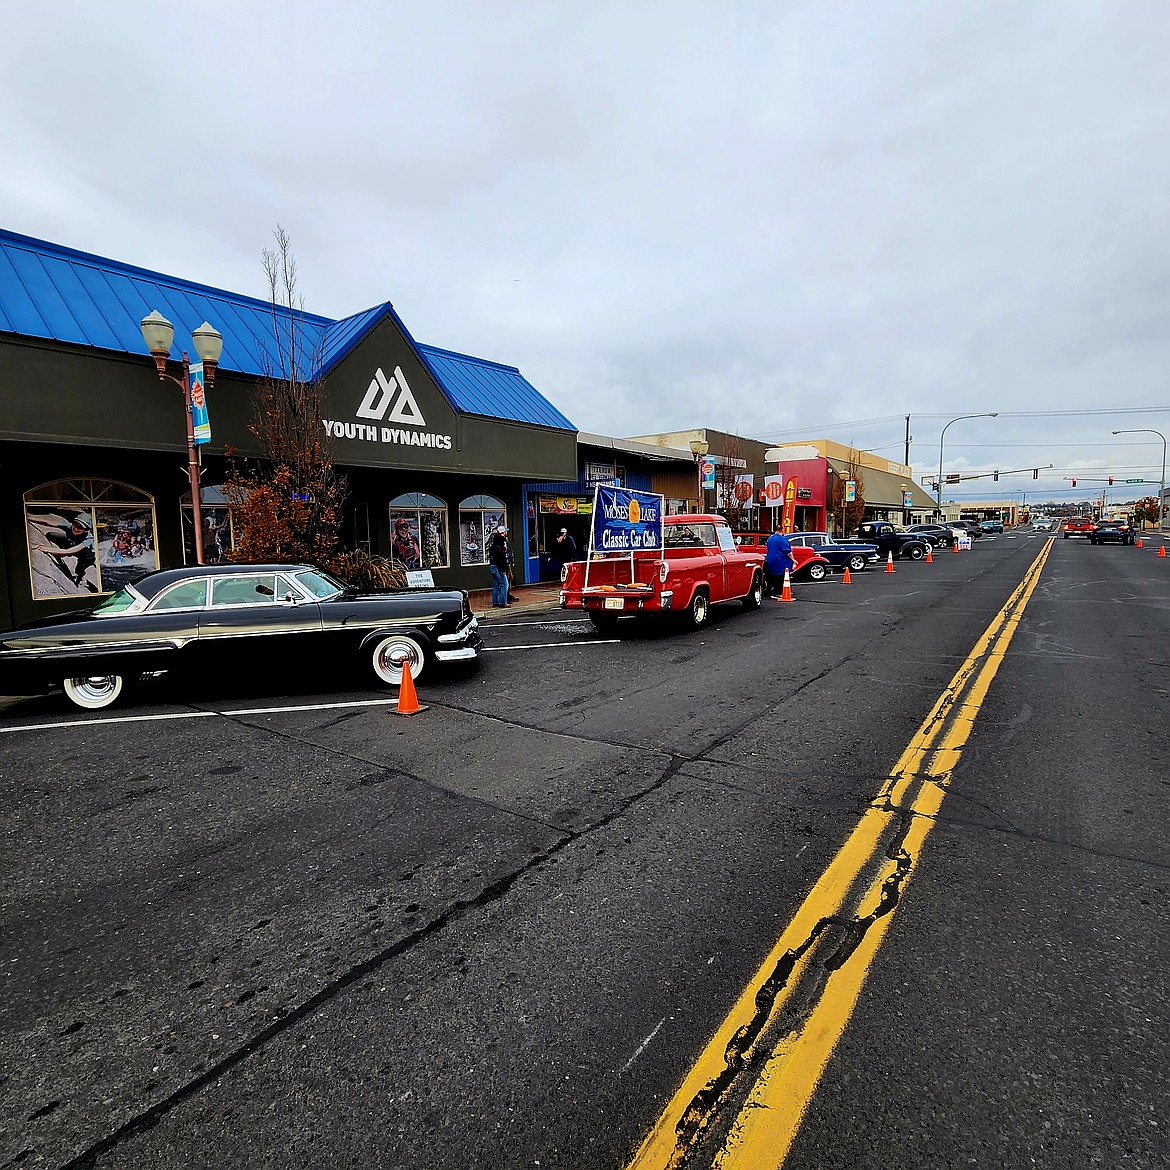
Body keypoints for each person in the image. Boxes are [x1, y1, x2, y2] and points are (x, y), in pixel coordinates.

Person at [31, 513, 97, 591]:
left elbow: (69, 552)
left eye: (80, 527)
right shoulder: (70, 526)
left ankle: (80, 577)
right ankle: (60, 551)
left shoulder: (88, 539)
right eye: (75, 525)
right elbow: (47, 523)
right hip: (72, 544)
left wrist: (47, 549)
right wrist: (29, 518)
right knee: (50, 535)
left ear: (86, 530)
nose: (76, 529)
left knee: (78, 569)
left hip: (84, 556)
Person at [764, 523, 794, 599]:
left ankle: (774, 590)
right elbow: (788, 551)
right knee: (781, 577)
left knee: (773, 577)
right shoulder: (783, 539)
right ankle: (779, 592)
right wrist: (793, 560)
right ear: (782, 530)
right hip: (781, 561)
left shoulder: (770, 538)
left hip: (770, 560)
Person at [487, 524, 513, 607]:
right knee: (504, 584)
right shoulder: (500, 546)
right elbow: (501, 559)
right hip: (499, 567)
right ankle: (502, 602)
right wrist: (503, 569)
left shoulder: (493, 545)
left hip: (493, 566)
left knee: (496, 584)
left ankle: (495, 602)